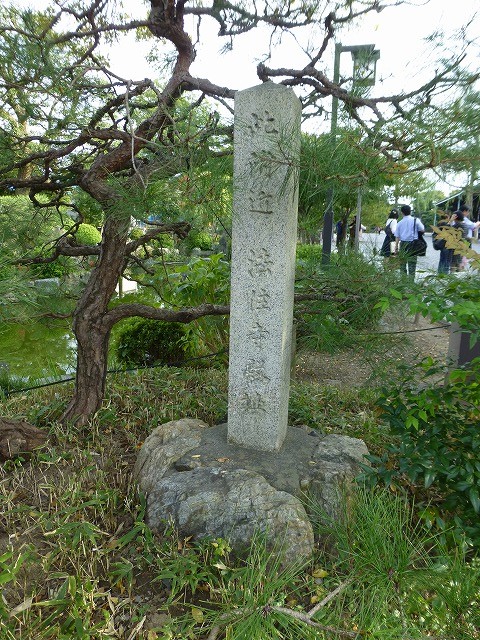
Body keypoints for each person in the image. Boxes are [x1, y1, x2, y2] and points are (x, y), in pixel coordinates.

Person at [394, 204, 425, 279]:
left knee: (402, 263)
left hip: (403, 244)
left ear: (402, 212)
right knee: (412, 263)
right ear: (410, 212)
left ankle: (403, 280)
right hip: (413, 243)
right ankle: (411, 281)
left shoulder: (399, 223)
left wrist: (396, 247)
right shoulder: (416, 220)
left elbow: (397, 236)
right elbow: (422, 230)